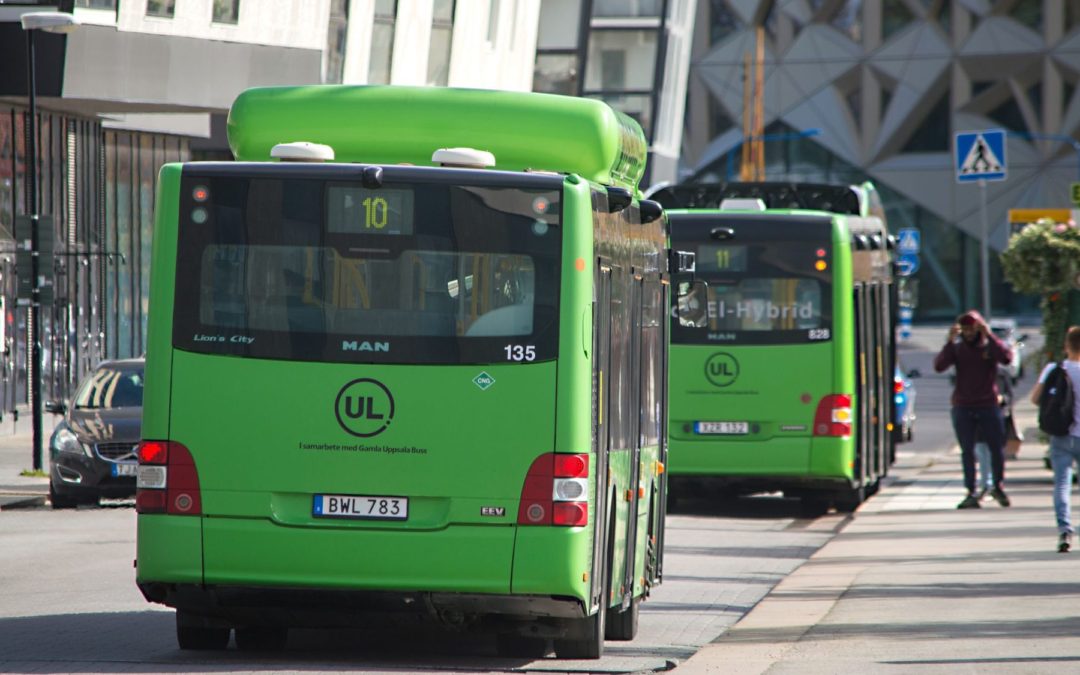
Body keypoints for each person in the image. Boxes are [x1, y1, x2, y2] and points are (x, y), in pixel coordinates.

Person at [934, 310, 1013, 509]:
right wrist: (950, 341)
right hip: (963, 404)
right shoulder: (958, 348)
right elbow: (939, 366)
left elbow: (1006, 358)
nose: (969, 333)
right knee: (967, 450)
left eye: (972, 329)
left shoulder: (988, 347)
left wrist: (990, 335)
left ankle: (998, 485)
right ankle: (971, 490)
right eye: (966, 329)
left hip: (988, 403)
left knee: (996, 447)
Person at [1029, 326, 1080, 553]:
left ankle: (1065, 531)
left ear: (1066, 346)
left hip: (1061, 435)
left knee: (1062, 484)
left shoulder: (1054, 369)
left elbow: (1035, 398)